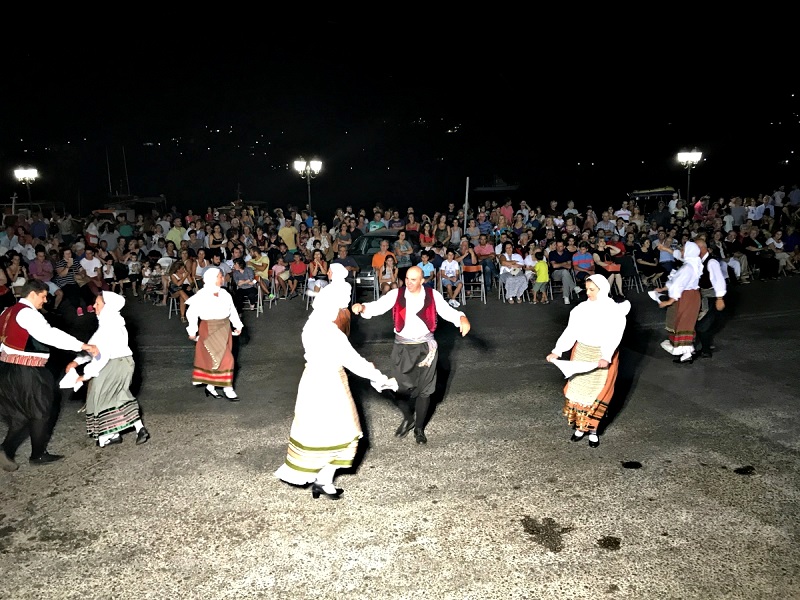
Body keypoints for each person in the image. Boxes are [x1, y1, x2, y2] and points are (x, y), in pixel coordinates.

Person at [274, 275, 396, 500]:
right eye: (344, 308)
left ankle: (323, 481)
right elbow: (354, 361)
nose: (346, 312)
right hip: (331, 384)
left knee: (318, 432)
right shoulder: (331, 332)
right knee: (347, 433)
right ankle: (323, 479)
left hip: (310, 381)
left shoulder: (311, 324)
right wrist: (380, 378)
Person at [351, 265, 471, 444]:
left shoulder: (432, 295)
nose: (409, 282)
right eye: (407, 278)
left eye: (413, 279)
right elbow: (378, 306)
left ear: (422, 281)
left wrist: (461, 318)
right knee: (400, 388)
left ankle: (419, 428)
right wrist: (362, 307)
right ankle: (409, 416)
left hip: (426, 348)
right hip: (402, 347)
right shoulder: (397, 294)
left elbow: (447, 312)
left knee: (425, 390)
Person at [0, 280, 99, 471]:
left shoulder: (6, 312)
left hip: (7, 369)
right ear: (33, 294)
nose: (45, 301)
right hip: (27, 370)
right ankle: (36, 455)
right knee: (42, 411)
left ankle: (7, 450)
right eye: (44, 296)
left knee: (20, 415)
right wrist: (82, 346)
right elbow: (49, 335)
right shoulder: (28, 313)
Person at [546, 275, 630, 448]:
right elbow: (571, 331)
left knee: (597, 393)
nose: (588, 293)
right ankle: (580, 428)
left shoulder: (613, 311)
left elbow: (615, 335)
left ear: (603, 290)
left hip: (601, 356)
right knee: (579, 390)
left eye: (592, 289)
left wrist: (606, 356)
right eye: (587, 289)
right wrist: (557, 350)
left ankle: (593, 431)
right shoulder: (581, 309)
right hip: (582, 352)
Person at [66, 291, 150, 448]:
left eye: (98, 304)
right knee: (120, 395)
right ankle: (136, 429)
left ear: (107, 306)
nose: (94, 306)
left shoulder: (109, 325)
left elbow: (102, 355)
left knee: (98, 396)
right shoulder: (111, 322)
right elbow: (92, 347)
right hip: (123, 363)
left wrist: (86, 375)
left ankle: (109, 435)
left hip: (113, 364)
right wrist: (76, 362)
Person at [185, 268, 243, 401]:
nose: (223, 279)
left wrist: (237, 325)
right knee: (227, 359)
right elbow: (191, 313)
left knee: (217, 359)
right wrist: (192, 330)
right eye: (220, 276)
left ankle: (210, 387)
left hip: (225, 327)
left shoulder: (224, 293)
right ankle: (228, 388)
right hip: (209, 328)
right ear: (212, 279)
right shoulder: (202, 294)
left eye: (222, 276)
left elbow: (232, 310)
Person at [653, 240, 703, 364]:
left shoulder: (687, 268)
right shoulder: (693, 262)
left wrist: (668, 301)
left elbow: (678, 285)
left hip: (687, 297)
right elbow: (678, 255)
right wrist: (665, 249)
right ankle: (687, 351)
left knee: (683, 322)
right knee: (685, 322)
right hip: (692, 296)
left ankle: (685, 352)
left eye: (684, 249)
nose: (681, 251)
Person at [692, 238, 726, 359]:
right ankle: (706, 346)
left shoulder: (712, 262)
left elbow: (719, 280)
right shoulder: (698, 261)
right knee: (700, 323)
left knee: (703, 325)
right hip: (702, 296)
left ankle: (706, 350)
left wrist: (720, 298)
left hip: (712, 296)